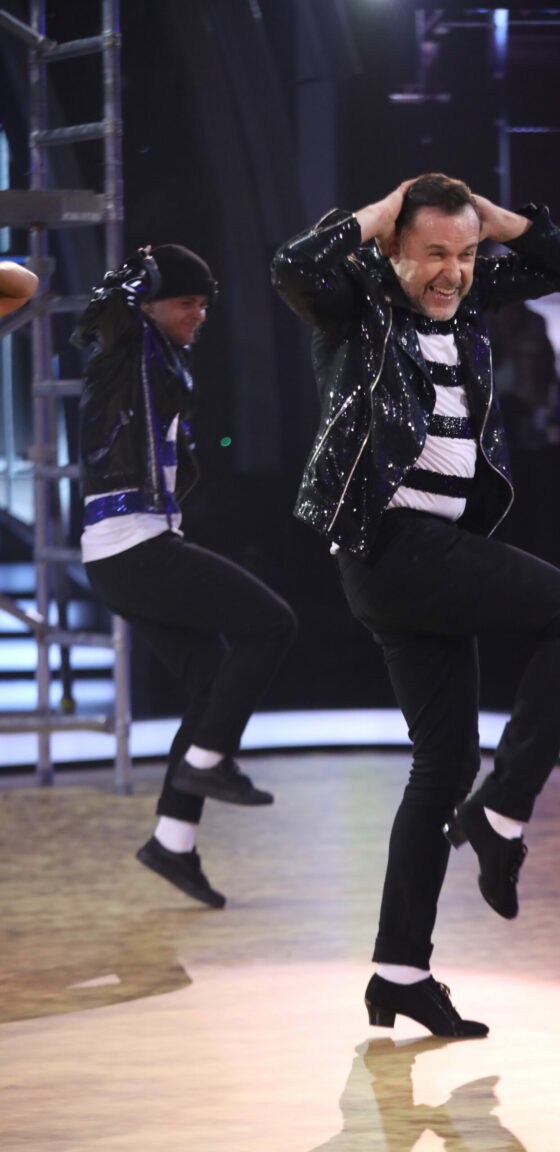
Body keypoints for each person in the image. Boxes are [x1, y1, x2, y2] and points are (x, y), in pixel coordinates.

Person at [272, 174, 560, 1037]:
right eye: (435, 252)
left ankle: (400, 973)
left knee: (442, 766)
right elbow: (292, 266)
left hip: (425, 559)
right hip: (395, 548)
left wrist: (492, 219)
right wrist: (379, 214)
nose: (454, 272)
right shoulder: (354, 304)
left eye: (466, 256)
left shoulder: (462, 304)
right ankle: (502, 815)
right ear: (393, 247)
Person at [73, 244, 297, 909]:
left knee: (209, 682)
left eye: (203, 304)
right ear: (147, 305)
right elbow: (102, 314)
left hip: (132, 550)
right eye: (185, 303)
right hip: (132, 550)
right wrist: (134, 281)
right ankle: (209, 761)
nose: (199, 314)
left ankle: (172, 842)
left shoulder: (163, 361)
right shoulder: (127, 351)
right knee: (273, 624)